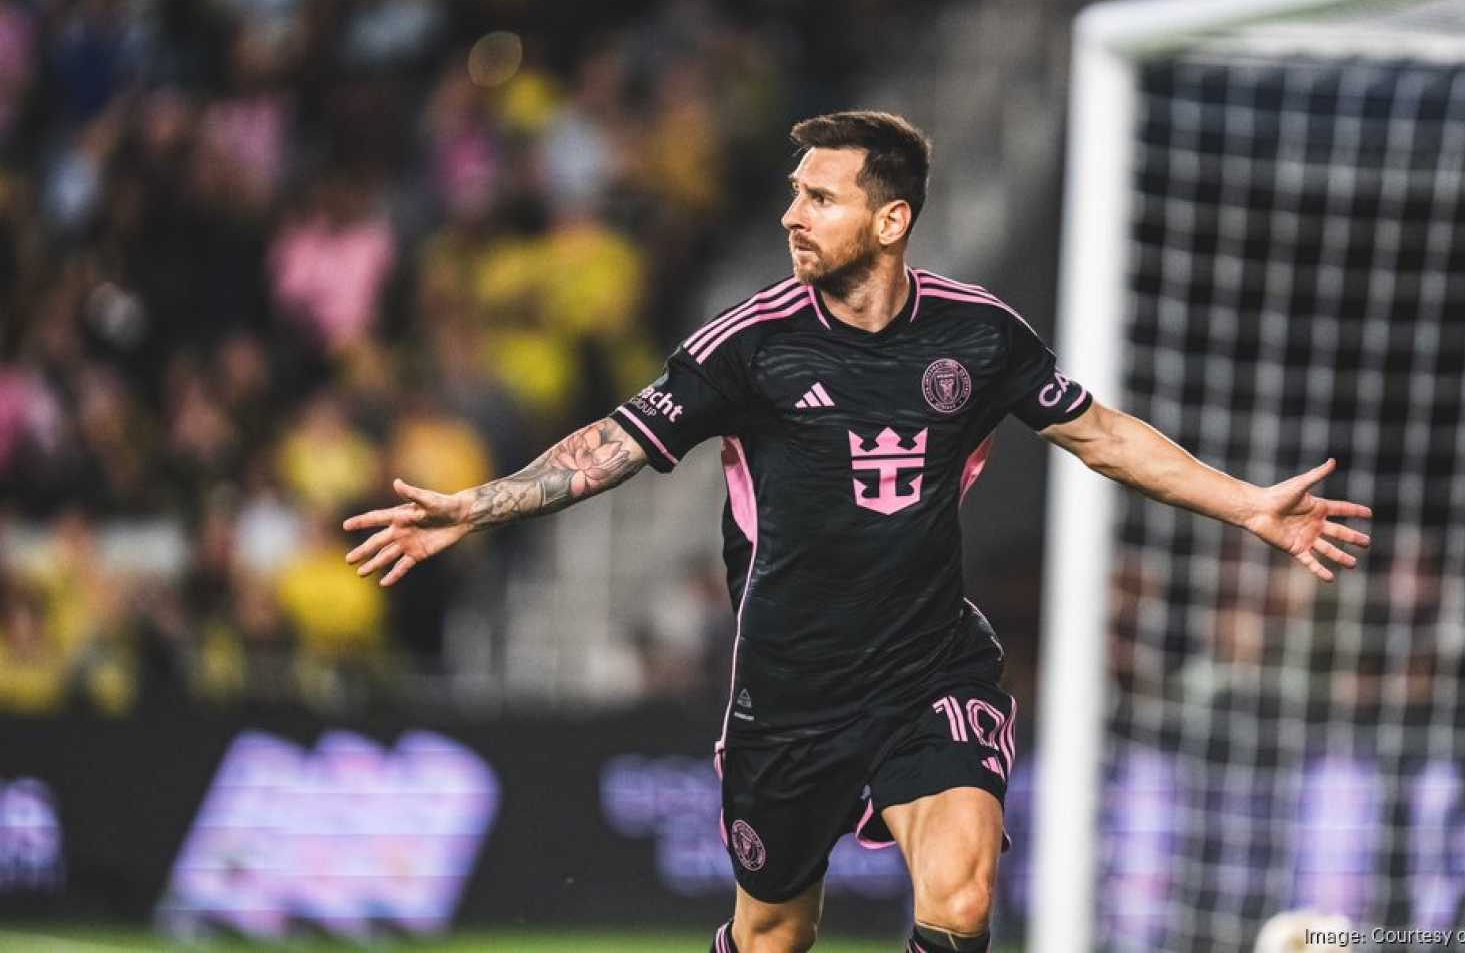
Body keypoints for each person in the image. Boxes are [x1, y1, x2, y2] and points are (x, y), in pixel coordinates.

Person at [342, 111, 1373, 952]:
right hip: (788, 690)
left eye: (818, 196)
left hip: (928, 669)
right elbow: (613, 441)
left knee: (961, 897)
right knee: (774, 929)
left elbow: (1098, 435)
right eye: (794, 192)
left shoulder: (978, 336)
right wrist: (474, 506)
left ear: (888, 221)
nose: (792, 214)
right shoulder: (748, 345)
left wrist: (1246, 503)